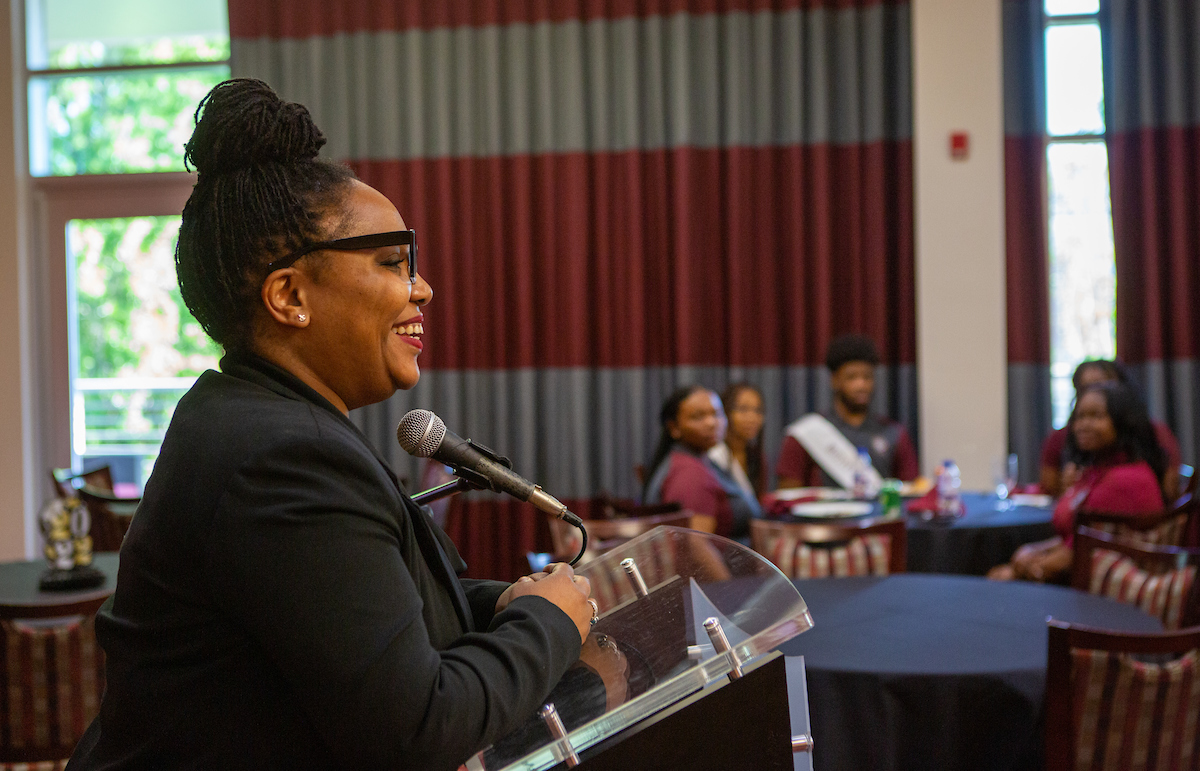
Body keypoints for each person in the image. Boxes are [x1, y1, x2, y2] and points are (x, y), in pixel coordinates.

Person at [68, 79, 599, 771]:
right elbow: (421, 727)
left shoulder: (251, 418)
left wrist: (510, 600)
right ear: (290, 296)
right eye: (391, 261)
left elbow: (363, 610)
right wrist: (549, 620)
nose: (422, 288)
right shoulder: (284, 456)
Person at [988, 381, 1167, 583]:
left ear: (1123, 422)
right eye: (1080, 417)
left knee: (995, 581)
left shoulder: (1125, 479)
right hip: (1085, 576)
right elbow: (1073, 539)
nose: (1083, 425)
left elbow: (1078, 553)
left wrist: (1021, 570)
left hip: (1109, 593)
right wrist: (1031, 551)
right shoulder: (1097, 471)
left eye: (1096, 416)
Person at [776, 334, 918, 488]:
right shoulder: (806, 433)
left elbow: (910, 492)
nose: (861, 385)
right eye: (852, 377)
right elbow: (787, 498)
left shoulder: (894, 433)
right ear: (835, 380)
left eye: (867, 377)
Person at [1039, 359, 1181, 499]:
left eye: (1103, 388)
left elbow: (1171, 493)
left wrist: (1075, 491)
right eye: (1085, 389)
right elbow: (1049, 489)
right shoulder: (1064, 437)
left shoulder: (1129, 472)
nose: (1093, 395)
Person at [642, 385, 762, 541]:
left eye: (717, 414)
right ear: (674, 428)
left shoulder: (701, 459)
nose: (712, 423)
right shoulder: (690, 473)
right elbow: (695, 547)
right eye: (698, 417)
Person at [708, 382, 768, 498]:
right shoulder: (714, 455)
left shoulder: (757, 458)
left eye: (758, 411)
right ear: (725, 411)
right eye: (743, 409)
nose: (752, 418)